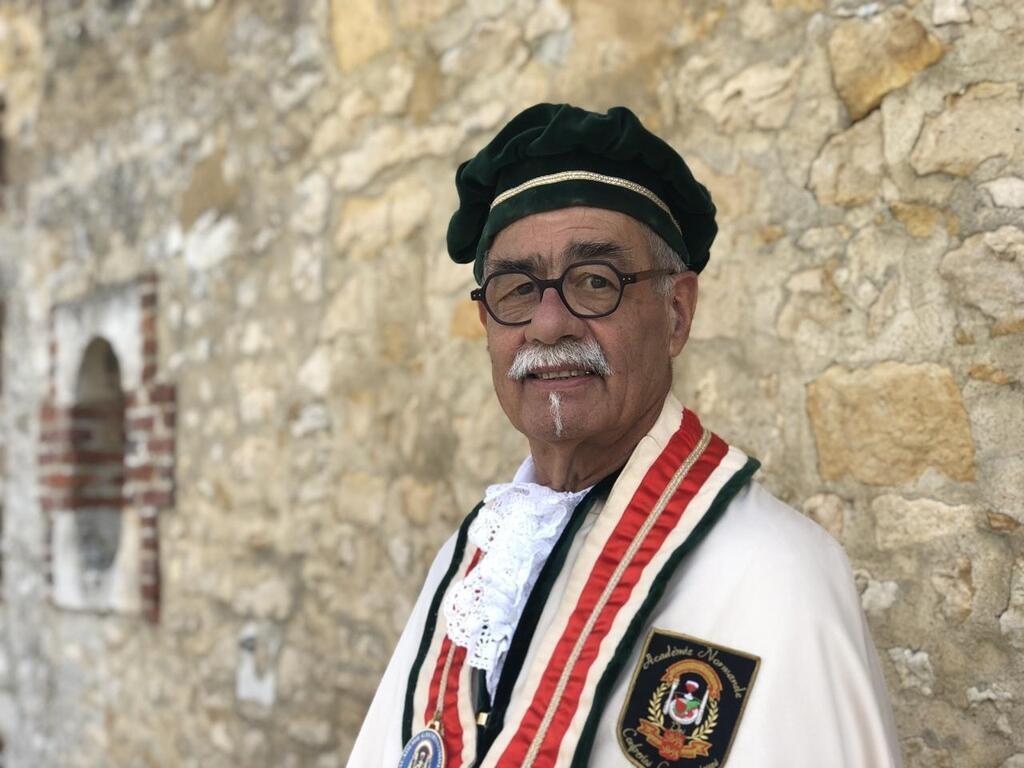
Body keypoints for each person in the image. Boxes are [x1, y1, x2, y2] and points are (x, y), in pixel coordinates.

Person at [348, 103, 900, 767]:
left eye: (594, 281)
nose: (548, 325)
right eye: (517, 288)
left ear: (675, 313)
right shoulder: (471, 567)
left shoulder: (774, 574)